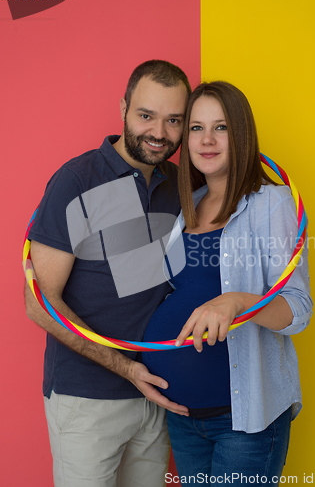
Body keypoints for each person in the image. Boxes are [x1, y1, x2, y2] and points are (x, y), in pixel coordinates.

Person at [24, 60, 192, 487]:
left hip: (156, 392)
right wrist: (123, 367)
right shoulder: (77, 180)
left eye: (174, 120)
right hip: (87, 399)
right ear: (123, 108)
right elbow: (40, 303)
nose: (159, 132)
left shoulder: (180, 184)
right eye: (146, 115)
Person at [142, 81, 313, 485]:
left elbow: (299, 308)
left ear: (241, 133)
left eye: (220, 127)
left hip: (244, 422)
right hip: (183, 420)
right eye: (197, 128)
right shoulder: (186, 207)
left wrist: (236, 301)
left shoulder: (272, 203)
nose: (207, 139)